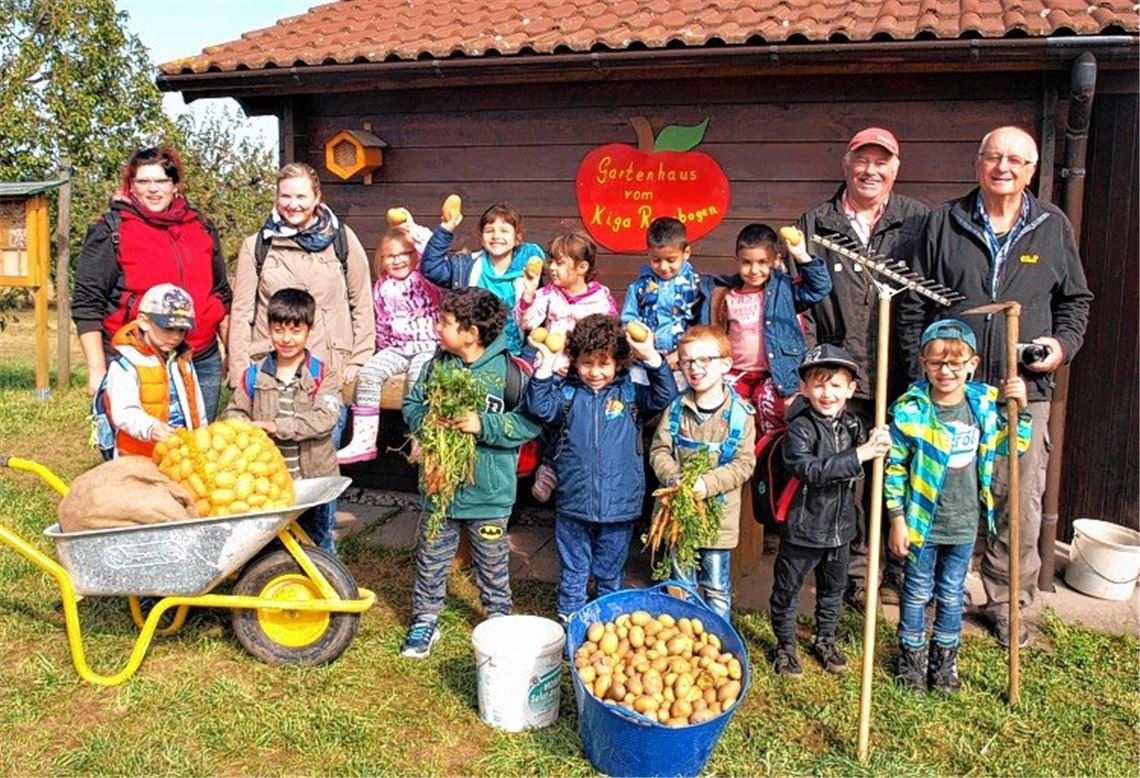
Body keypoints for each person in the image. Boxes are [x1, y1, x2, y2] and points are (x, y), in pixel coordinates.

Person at [897, 126, 1093, 647]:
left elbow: (1076, 301)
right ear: (977, 162)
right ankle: (940, 591)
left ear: (1031, 171)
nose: (1003, 167)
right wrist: (925, 370)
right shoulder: (944, 221)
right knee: (942, 489)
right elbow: (914, 301)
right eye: (993, 157)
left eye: (1015, 160)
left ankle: (1009, 603)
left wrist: (1059, 347)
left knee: (1016, 497)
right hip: (949, 391)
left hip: (1018, 391)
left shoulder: (1051, 226)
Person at [798, 127, 929, 607]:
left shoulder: (917, 220)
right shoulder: (817, 222)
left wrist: (922, 370)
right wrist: (812, 373)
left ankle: (895, 569)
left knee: (895, 472)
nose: (870, 170)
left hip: (900, 375)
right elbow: (804, 306)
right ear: (846, 164)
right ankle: (852, 574)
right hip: (840, 375)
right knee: (846, 476)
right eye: (862, 160)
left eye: (882, 162)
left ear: (895, 167)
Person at [886, 320, 1029, 694]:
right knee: (916, 592)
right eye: (936, 363)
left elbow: (1011, 448)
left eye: (955, 363)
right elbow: (895, 469)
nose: (945, 371)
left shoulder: (982, 404)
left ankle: (944, 663)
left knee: (951, 593)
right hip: (921, 523)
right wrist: (896, 519)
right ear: (923, 363)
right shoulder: (910, 410)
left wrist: (1021, 409)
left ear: (973, 363)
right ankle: (911, 662)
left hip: (964, 523)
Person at [400, 288, 542, 658]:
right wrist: (426, 423)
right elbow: (413, 403)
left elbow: (529, 423)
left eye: (445, 322)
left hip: (489, 495)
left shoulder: (510, 373)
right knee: (431, 558)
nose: (437, 327)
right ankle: (424, 620)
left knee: (492, 563)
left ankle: (498, 620)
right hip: (440, 489)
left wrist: (483, 425)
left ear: (471, 333)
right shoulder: (437, 365)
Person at [524, 314, 676, 622]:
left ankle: (607, 619)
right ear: (575, 361)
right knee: (574, 568)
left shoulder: (631, 394)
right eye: (586, 363)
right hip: (573, 501)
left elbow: (665, 395)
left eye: (603, 364)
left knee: (609, 568)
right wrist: (545, 363)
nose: (594, 372)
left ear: (619, 362)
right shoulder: (567, 395)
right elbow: (538, 407)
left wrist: (650, 355)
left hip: (620, 504)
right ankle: (571, 618)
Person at [73, 147, 231, 420]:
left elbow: (220, 293)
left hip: (199, 359)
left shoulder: (201, 227)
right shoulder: (112, 229)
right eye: (143, 182)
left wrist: (232, 352)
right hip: (137, 360)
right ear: (131, 186)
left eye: (161, 181)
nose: (153, 189)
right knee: (138, 449)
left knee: (195, 450)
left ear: (175, 185)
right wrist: (97, 369)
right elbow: (88, 303)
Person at [227, 162, 374, 448]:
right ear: (277, 198)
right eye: (286, 197)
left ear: (317, 197)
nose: (293, 205)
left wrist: (359, 357)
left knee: (319, 459)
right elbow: (242, 312)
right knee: (270, 465)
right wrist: (240, 374)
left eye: (301, 197)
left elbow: (362, 303)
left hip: (326, 370)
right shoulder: (257, 246)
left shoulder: (342, 240)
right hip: (270, 372)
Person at [769, 345, 891, 677]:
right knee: (787, 589)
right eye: (819, 384)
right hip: (804, 526)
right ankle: (785, 646)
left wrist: (880, 442)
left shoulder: (853, 424)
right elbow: (808, 469)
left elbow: (875, 455)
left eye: (836, 385)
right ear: (805, 389)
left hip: (840, 528)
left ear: (851, 389)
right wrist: (860, 455)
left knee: (833, 590)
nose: (827, 393)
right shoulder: (800, 427)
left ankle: (825, 638)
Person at [648, 326, 756, 622]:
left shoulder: (740, 415)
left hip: (718, 522)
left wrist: (707, 483)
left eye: (704, 360)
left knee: (716, 586)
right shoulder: (675, 409)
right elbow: (658, 451)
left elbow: (744, 464)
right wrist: (674, 478)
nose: (695, 368)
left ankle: (717, 638)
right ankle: (683, 636)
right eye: (687, 361)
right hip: (678, 517)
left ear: (725, 364)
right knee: (680, 583)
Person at [223, 289, 343, 554]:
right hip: (269, 482)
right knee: (268, 545)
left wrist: (277, 426)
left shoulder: (322, 374)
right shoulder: (253, 375)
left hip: (313, 482)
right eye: (279, 330)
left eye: (295, 331)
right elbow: (234, 413)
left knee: (318, 540)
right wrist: (244, 428)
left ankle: (327, 589)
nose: (286, 339)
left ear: (309, 330)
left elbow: (325, 418)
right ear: (269, 329)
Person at [517, 231, 618, 501]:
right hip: (548, 371)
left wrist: (580, 365)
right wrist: (528, 292)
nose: (552, 267)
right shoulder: (549, 293)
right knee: (546, 418)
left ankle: (551, 467)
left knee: (570, 420)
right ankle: (542, 465)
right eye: (552, 261)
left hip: (581, 376)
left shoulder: (600, 299)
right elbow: (528, 323)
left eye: (560, 262)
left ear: (582, 267)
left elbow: (606, 338)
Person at [708, 224, 832, 435]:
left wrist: (801, 255)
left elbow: (820, 286)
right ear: (736, 261)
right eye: (746, 263)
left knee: (770, 416)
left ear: (776, 260)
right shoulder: (725, 293)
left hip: (774, 375)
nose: (754, 270)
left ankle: (768, 460)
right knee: (728, 416)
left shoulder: (784, 290)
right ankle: (737, 461)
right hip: (735, 372)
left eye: (763, 262)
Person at [337, 222, 441, 464]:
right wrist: (381, 351)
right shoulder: (381, 287)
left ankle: (421, 438)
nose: (398, 260)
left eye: (405, 253)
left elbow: (432, 250)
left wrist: (412, 228)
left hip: (427, 346)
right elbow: (382, 323)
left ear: (415, 255)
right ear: (381, 260)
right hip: (396, 348)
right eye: (390, 256)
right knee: (370, 373)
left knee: (418, 377)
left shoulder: (425, 278)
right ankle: (364, 439)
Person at [420, 200, 545, 355]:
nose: (496, 236)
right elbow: (431, 269)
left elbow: (534, 322)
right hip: (470, 353)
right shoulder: (466, 266)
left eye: (504, 231)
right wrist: (446, 228)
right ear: (481, 236)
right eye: (489, 230)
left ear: (517, 238)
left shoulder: (529, 272)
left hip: (513, 354)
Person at [103, 283, 207, 458]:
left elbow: (197, 405)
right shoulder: (127, 363)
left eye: (182, 330)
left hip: (180, 453)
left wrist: (202, 433)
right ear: (144, 321)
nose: (175, 337)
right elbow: (124, 412)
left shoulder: (183, 360)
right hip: (138, 455)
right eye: (168, 328)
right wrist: (150, 428)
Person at [620, 217, 713, 384]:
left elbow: (700, 324)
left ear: (686, 253)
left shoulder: (696, 285)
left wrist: (680, 353)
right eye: (656, 259)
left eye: (671, 260)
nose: (663, 267)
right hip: (643, 362)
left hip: (682, 362)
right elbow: (628, 319)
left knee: (677, 405)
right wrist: (636, 347)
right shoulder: (639, 286)